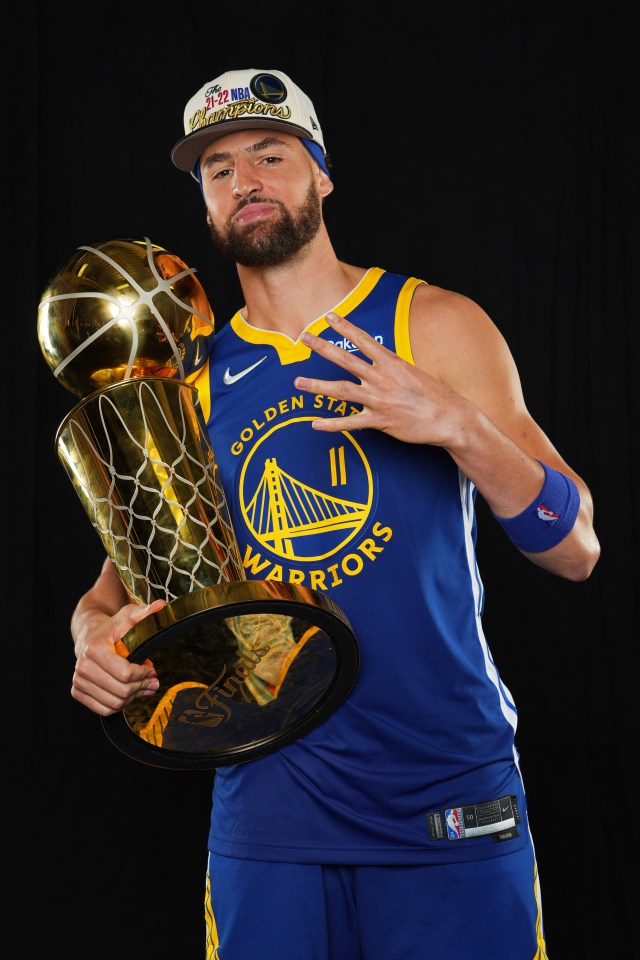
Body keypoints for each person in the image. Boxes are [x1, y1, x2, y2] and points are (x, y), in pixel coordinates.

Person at [69, 68, 600, 959]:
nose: (247, 181)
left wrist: (458, 427)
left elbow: (576, 548)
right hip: (271, 817)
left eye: (271, 155)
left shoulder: (429, 323)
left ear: (321, 174)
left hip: (447, 799)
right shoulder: (186, 388)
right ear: (204, 204)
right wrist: (90, 643)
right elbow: (108, 598)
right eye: (220, 169)